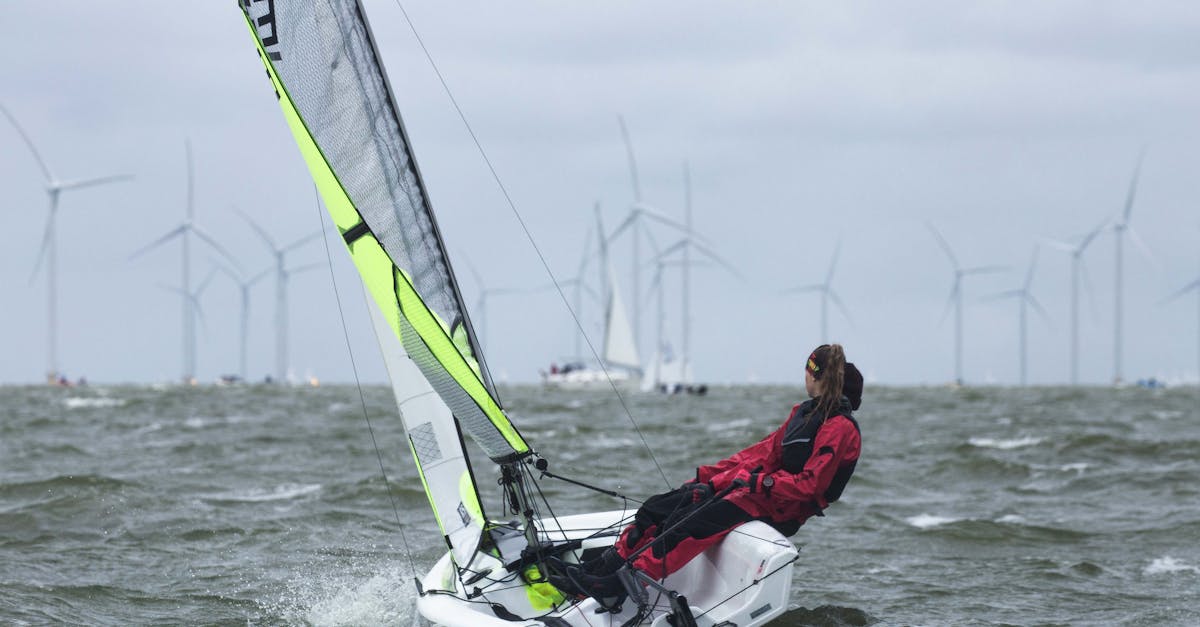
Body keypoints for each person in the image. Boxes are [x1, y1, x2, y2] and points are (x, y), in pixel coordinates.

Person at [549, 343, 863, 603]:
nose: (803, 377)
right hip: (757, 494)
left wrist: (759, 482)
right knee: (660, 507)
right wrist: (708, 478)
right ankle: (603, 569)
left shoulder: (840, 428)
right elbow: (760, 454)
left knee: (689, 525)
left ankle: (621, 584)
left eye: (806, 371)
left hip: (783, 510)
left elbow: (810, 486)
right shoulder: (802, 413)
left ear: (814, 374)